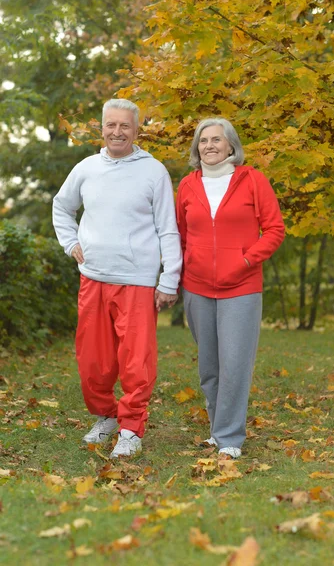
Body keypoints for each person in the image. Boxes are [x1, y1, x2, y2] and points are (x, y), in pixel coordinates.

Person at [53, 98, 182, 459]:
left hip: (138, 281)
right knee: (93, 360)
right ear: (102, 128)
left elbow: (167, 228)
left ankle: (130, 428)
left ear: (136, 130)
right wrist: (70, 242)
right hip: (93, 277)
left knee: (136, 361)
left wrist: (168, 278)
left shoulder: (153, 171)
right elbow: (62, 206)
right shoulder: (86, 168)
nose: (117, 132)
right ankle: (106, 416)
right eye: (111, 125)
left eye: (125, 125)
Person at [176, 118, 284, 458]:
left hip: (242, 287)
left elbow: (275, 230)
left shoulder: (252, 180)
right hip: (197, 287)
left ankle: (230, 439)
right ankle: (217, 429)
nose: (209, 145)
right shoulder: (187, 186)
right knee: (210, 366)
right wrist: (181, 274)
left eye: (216, 140)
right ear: (197, 148)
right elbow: (179, 235)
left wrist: (246, 262)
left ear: (230, 146)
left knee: (235, 363)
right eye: (203, 140)